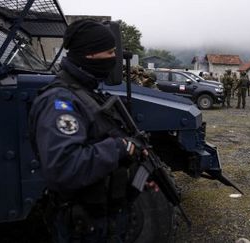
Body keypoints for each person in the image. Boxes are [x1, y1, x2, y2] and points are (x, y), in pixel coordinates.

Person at [28, 19, 149, 242]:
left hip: (103, 219)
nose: (113, 58)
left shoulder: (86, 92)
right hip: (83, 226)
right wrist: (119, 148)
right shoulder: (59, 101)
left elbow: (97, 141)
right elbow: (65, 167)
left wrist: (134, 167)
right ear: (89, 54)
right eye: (110, 52)